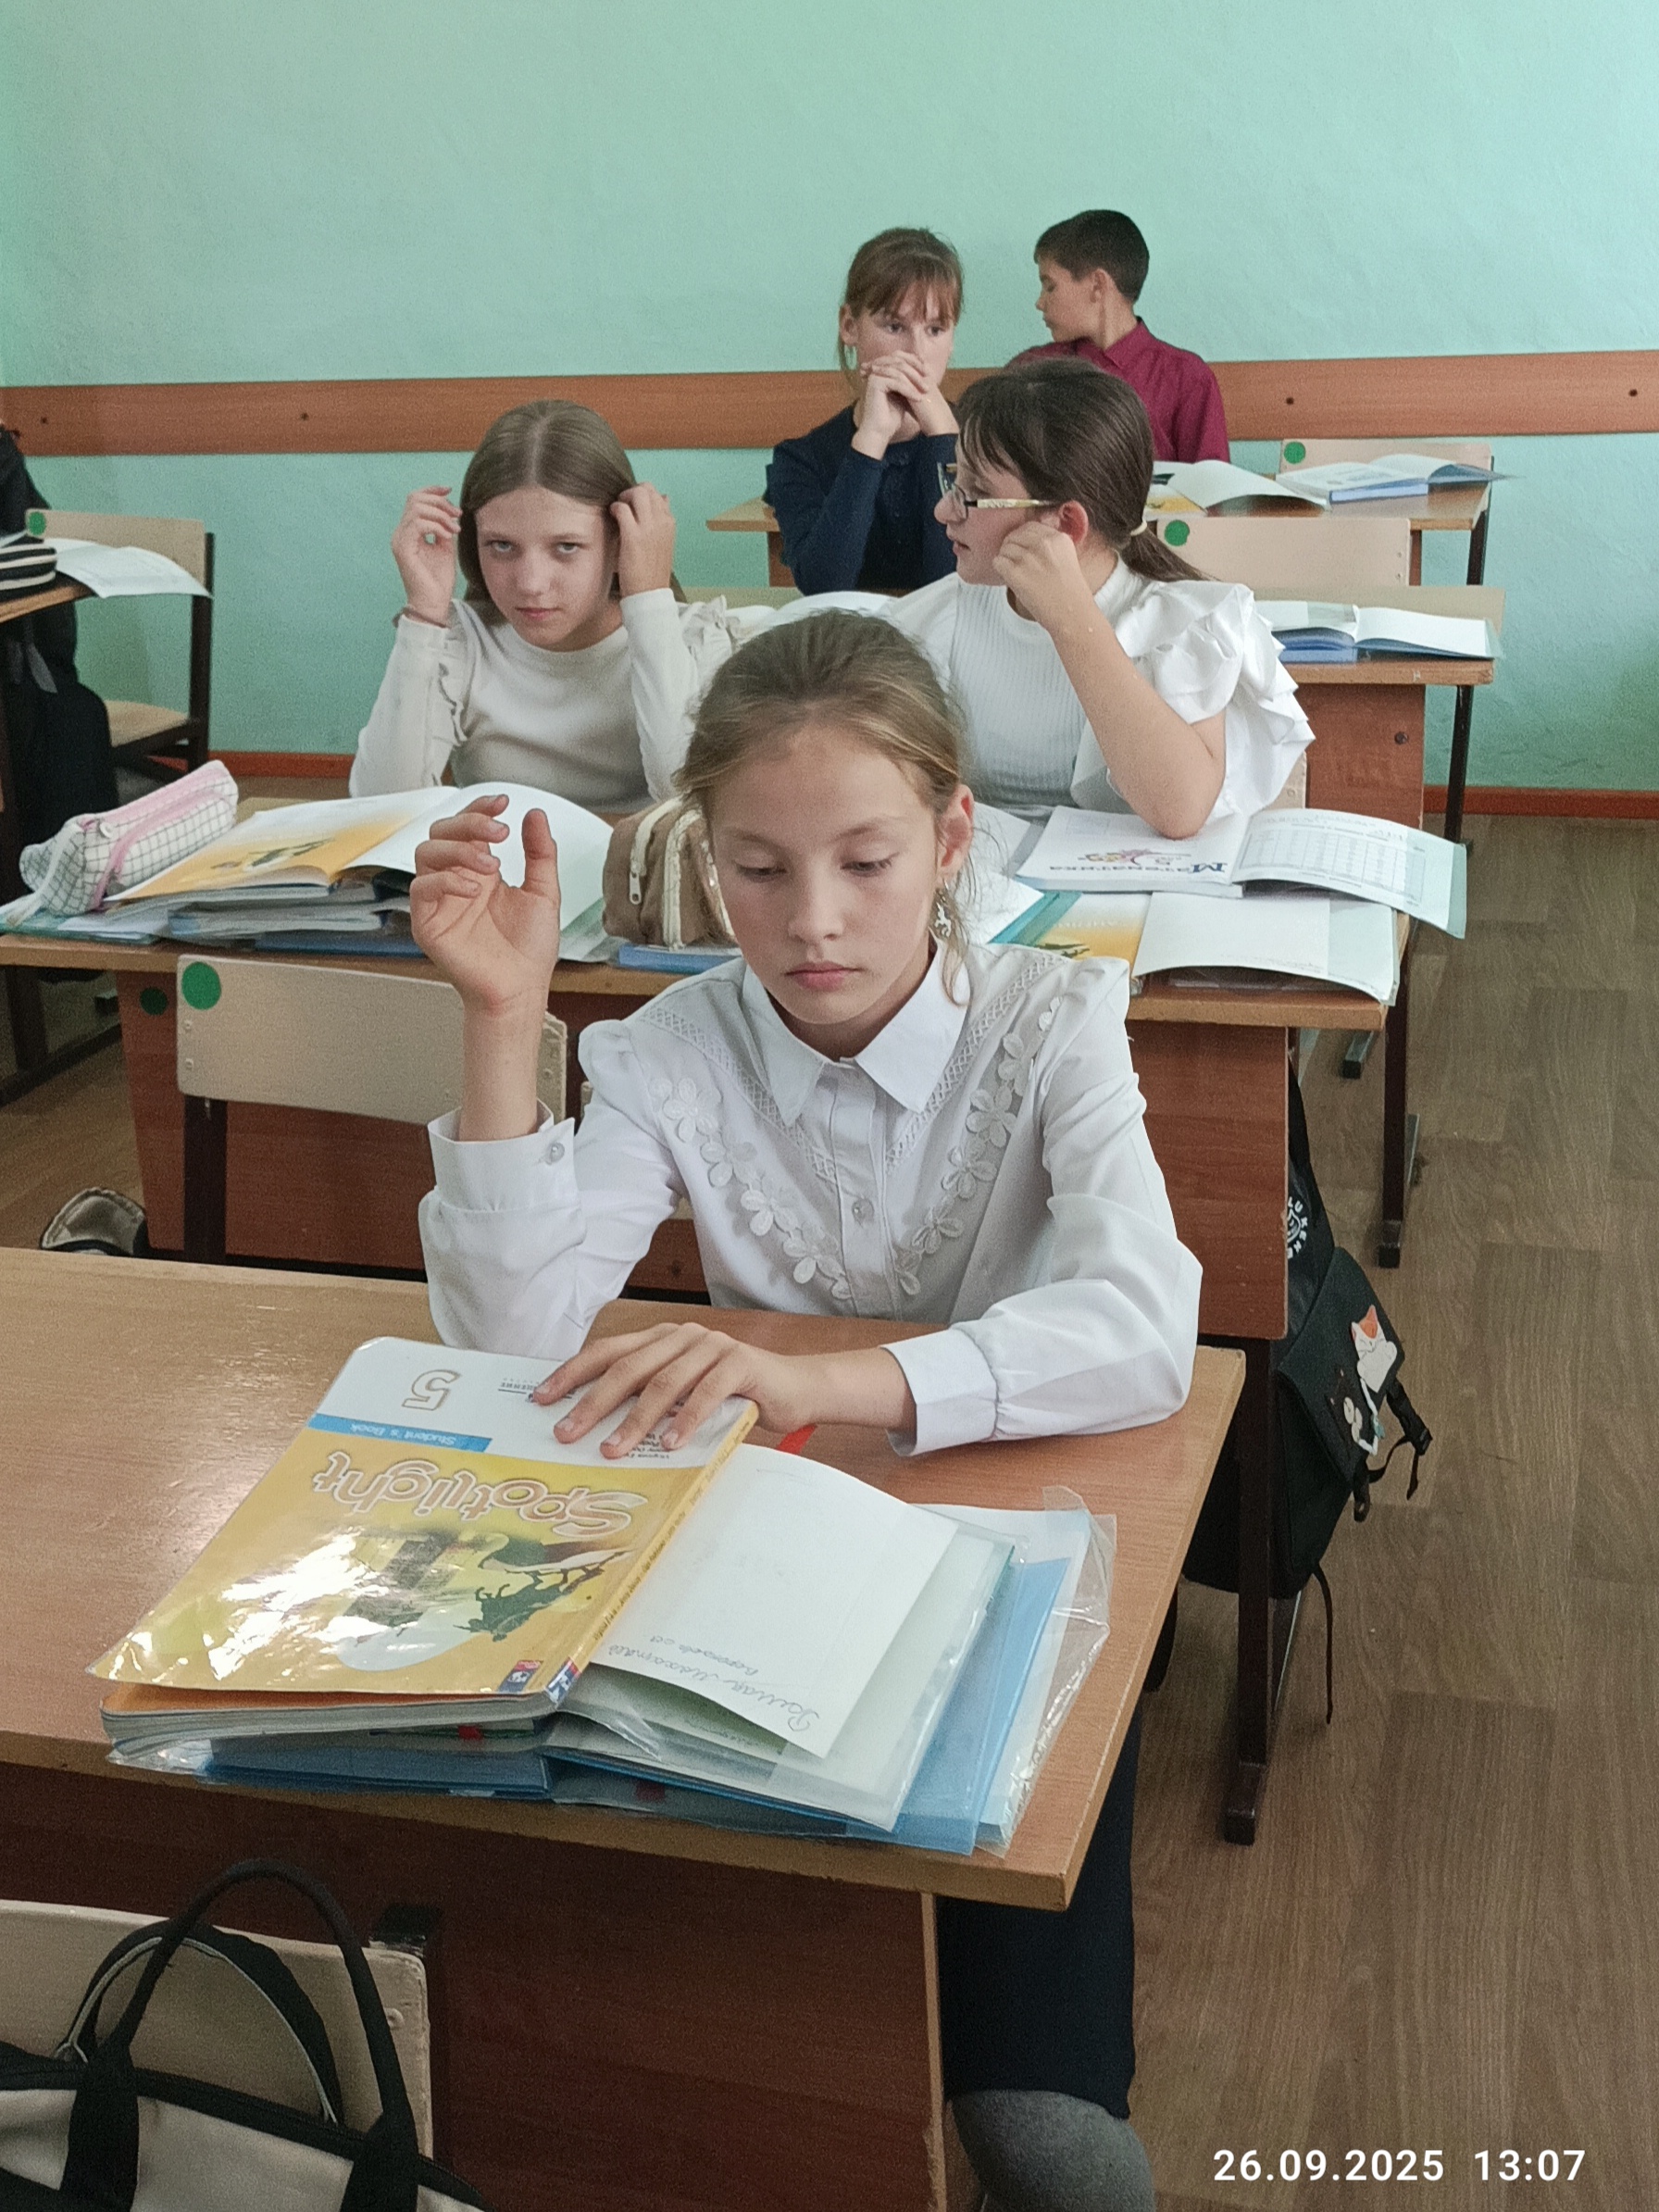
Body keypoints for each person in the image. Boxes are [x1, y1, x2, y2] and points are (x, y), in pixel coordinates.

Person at [410, 609, 1201, 2212]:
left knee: (1043, 2135)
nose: (813, 921)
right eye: (758, 869)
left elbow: (1141, 1326)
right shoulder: (665, 1048)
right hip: (762, 1540)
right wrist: (502, 1019)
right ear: (706, 854)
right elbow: (511, 1339)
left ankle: (1014, 2054)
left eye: (866, 860)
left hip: (1015, 1524)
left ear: (951, 837)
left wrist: (816, 1381)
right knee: (703, 2001)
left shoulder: (1053, 1017)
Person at [885, 356, 1310, 835]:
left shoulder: (1177, 627)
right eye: (953, 480)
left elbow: (1180, 809)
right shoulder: (937, 619)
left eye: (974, 493)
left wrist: (1070, 619)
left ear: (1067, 523)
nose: (944, 511)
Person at [352, 398, 761, 808]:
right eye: (501, 545)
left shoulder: (692, 641)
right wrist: (424, 617)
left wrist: (650, 603)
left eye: (566, 547)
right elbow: (379, 807)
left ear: (621, 541)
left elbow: (685, 800)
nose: (531, 584)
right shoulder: (461, 643)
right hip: (500, 852)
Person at [765, 228, 962, 594]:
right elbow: (824, 589)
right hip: (853, 632)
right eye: (894, 326)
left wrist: (945, 442)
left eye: (935, 329)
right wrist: (871, 439)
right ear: (849, 326)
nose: (917, 353)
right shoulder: (801, 459)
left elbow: (958, 589)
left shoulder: (992, 447)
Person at [1011, 209, 1229, 466]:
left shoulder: (1187, 379)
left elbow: (1211, 483)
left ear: (1097, 285)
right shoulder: (1031, 370)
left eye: (1050, 286)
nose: (1039, 302)